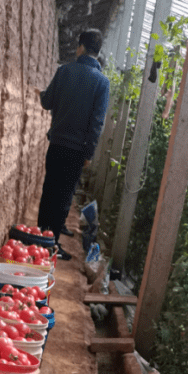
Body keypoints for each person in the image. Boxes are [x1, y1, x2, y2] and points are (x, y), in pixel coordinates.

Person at [37, 29, 110, 260]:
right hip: (77, 150)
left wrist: (41, 94)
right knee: (64, 196)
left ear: (80, 47)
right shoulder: (102, 83)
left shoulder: (64, 71)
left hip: (57, 144)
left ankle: (40, 239)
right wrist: (89, 152)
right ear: (98, 52)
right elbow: (97, 122)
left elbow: (47, 102)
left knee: (49, 190)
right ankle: (53, 244)